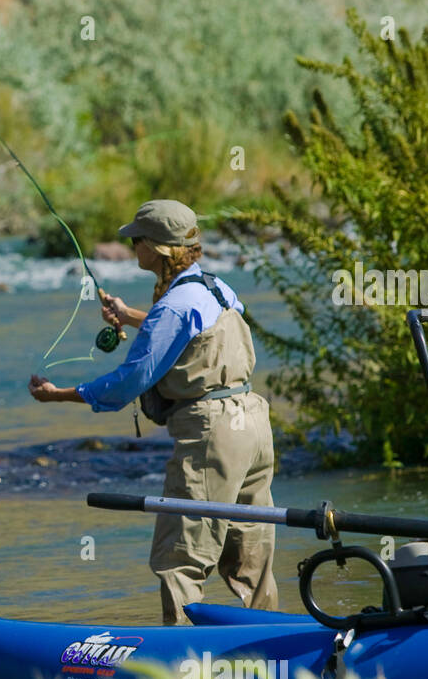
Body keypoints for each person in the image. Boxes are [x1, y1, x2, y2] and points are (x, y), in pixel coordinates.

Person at [27, 199, 278, 624]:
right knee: (251, 555)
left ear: (158, 249)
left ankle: (179, 668)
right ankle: (275, 652)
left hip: (211, 434)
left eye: (136, 239)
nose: (131, 247)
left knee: (181, 558)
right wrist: (130, 316)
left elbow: (131, 381)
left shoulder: (174, 306)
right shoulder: (218, 288)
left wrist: (61, 395)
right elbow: (195, 331)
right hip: (252, 423)